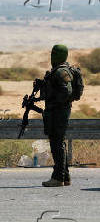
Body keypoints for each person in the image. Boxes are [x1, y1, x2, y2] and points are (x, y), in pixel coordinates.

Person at [39, 45, 74, 187]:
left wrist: (54, 103)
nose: (52, 56)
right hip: (57, 111)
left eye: (55, 53)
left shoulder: (61, 72)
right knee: (58, 143)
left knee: (56, 144)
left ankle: (58, 177)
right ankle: (65, 176)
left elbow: (67, 91)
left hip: (58, 112)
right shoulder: (57, 71)